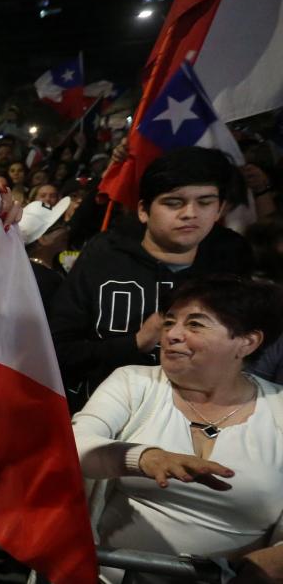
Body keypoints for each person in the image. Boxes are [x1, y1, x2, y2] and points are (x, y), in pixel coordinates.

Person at [72, 276, 283, 583]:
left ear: (247, 342)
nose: (172, 334)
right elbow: (74, 445)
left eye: (195, 324)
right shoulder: (134, 382)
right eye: (170, 322)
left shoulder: (278, 409)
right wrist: (144, 458)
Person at [51, 148, 254, 410]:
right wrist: (135, 343)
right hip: (103, 419)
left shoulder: (232, 262)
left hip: (199, 422)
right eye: (173, 202)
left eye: (204, 202)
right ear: (144, 210)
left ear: (219, 209)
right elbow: (56, 351)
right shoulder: (103, 256)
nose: (190, 213)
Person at [18, 198, 71, 319]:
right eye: (59, 225)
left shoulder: (50, 267)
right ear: (42, 239)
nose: (66, 229)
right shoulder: (39, 279)